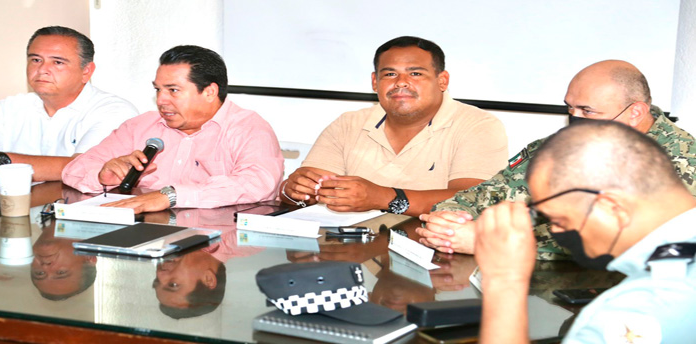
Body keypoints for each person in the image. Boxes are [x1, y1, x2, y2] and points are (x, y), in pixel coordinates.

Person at [418, 60, 696, 258]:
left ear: (635, 112)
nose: (575, 119)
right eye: (570, 108)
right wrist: (450, 218)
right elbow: (486, 193)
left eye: (588, 111)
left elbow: (635, 240)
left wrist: (490, 240)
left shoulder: (681, 162)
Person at [476, 121, 696, 343]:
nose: (554, 231)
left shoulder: (640, 308)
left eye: (559, 220)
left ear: (612, 208)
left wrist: (505, 280)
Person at [281, 36, 508, 216]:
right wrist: (296, 191)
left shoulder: (478, 126)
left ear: (442, 81)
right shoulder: (348, 124)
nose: (401, 82)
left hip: (437, 253)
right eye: (390, 74)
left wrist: (383, 197)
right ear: (374, 82)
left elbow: (476, 200)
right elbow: (308, 189)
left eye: (415, 73)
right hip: (353, 252)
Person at [62, 45, 284, 213]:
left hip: (218, 240)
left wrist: (170, 196)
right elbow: (74, 171)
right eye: (158, 89)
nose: (161, 100)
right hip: (147, 233)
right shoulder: (140, 126)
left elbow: (257, 183)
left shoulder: (249, 128)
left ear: (209, 92)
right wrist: (102, 176)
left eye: (173, 90)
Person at [0, 26, 138, 181]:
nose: (42, 69)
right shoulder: (10, 107)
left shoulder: (114, 111)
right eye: (36, 60)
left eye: (57, 62)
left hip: (79, 209)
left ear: (86, 71)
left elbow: (84, 168)